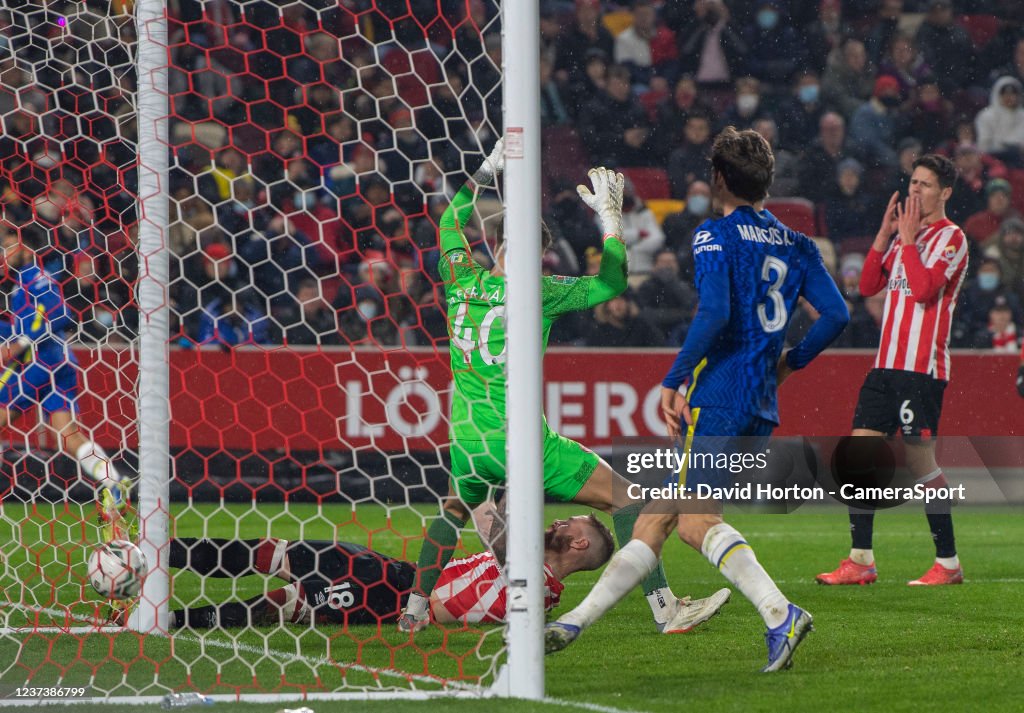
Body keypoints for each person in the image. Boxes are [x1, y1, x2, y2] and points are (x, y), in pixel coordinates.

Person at [544, 127, 850, 672]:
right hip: (759, 401)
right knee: (653, 519)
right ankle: (572, 625)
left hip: (719, 394)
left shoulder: (714, 236)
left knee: (691, 519)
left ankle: (780, 613)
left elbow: (714, 313)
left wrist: (674, 379)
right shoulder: (798, 244)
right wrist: (788, 363)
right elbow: (837, 315)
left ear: (716, 180)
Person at [399, 141, 724, 635]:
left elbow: (448, 221)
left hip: (467, 439)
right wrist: (611, 221)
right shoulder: (541, 292)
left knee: (452, 509)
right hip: (521, 442)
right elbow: (613, 285)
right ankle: (665, 608)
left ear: (498, 246)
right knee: (627, 499)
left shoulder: (460, 278)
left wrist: (489, 167)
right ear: (538, 253)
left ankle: (414, 612)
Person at [817, 153, 969, 587]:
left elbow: (923, 291)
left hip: (921, 370)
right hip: (885, 366)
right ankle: (860, 560)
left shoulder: (951, 238)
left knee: (922, 465)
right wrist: (884, 236)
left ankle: (949, 563)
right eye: (913, 182)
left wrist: (904, 242)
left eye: (925, 184)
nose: (915, 190)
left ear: (945, 193)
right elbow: (866, 287)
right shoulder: (906, 235)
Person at [169, 510, 647, 629]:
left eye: (572, 524)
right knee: (278, 551)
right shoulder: (522, 553)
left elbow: (452, 609)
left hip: (391, 603)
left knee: (285, 604)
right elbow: (482, 516)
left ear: (579, 544)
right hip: (398, 574)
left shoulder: (538, 595)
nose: (559, 520)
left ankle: (177, 621)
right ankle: (168, 552)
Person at [0, 226, 130, 541]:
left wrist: (16, 345)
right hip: (62, 360)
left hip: (42, 360)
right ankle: (111, 479)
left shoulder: (34, 277)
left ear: (23, 246)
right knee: (67, 434)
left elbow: (58, 314)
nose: (3, 253)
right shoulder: (23, 282)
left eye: (6, 245)